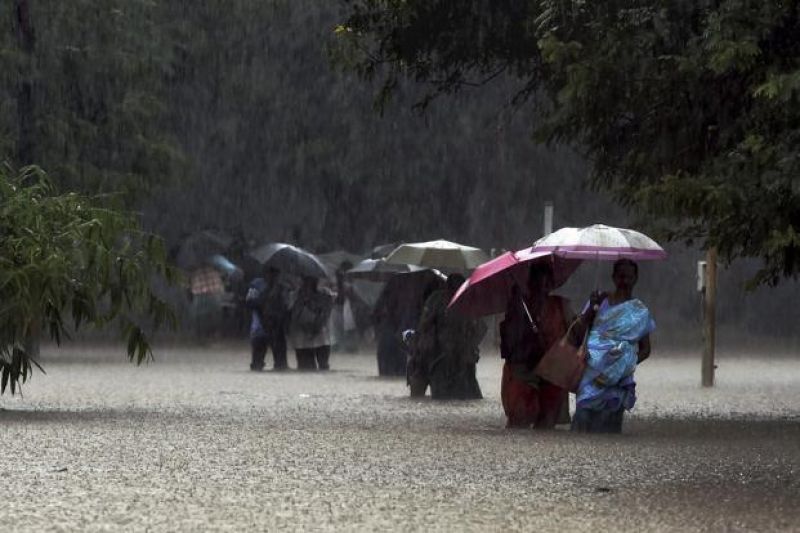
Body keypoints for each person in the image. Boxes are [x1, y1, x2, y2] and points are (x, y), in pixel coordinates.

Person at [571, 259, 655, 433]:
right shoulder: (599, 301)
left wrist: (623, 365)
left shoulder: (639, 312)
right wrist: (590, 308)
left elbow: (645, 350)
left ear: (636, 279)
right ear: (614, 277)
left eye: (629, 277)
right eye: (621, 276)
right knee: (581, 426)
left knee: (609, 433)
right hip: (590, 378)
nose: (624, 281)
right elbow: (578, 331)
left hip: (617, 386)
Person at [499, 263, 573, 429]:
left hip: (552, 373)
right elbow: (507, 342)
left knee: (546, 425)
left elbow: (574, 334)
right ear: (530, 283)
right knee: (519, 422)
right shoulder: (518, 305)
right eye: (538, 282)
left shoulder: (561, 306)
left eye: (547, 282)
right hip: (523, 373)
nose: (543, 287)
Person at [408, 273, 487, 399]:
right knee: (460, 397)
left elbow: (481, 328)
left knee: (455, 396)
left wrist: (469, 345)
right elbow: (424, 325)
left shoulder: (462, 300)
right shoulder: (438, 300)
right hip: (444, 359)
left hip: (457, 360)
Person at [245, 268, 289, 371]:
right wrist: (265, 299)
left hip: (276, 327)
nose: (273, 276)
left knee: (281, 364)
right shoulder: (256, 285)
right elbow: (249, 302)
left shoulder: (282, 287)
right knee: (257, 363)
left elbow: (285, 307)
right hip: (260, 327)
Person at [290, 275, 334, 370]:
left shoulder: (325, 295)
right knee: (305, 369)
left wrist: (315, 327)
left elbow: (326, 314)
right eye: (306, 280)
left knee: (323, 367)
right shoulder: (295, 295)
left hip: (321, 338)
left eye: (312, 280)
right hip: (302, 340)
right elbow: (293, 316)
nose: (309, 282)